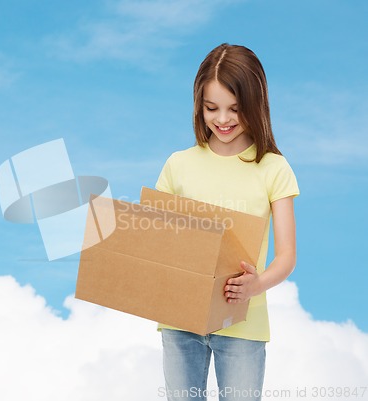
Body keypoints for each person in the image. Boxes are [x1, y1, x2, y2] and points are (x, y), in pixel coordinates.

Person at [155, 43, 299, 401]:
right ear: (198, 106)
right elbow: (156, 236)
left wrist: (257, 284)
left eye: (235, 109)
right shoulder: (179, 164)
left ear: (255, 105)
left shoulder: (273, 168)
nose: (223, 119)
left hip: (242, 322)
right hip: (180, 319)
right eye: (211, 108)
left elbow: (286, 256)